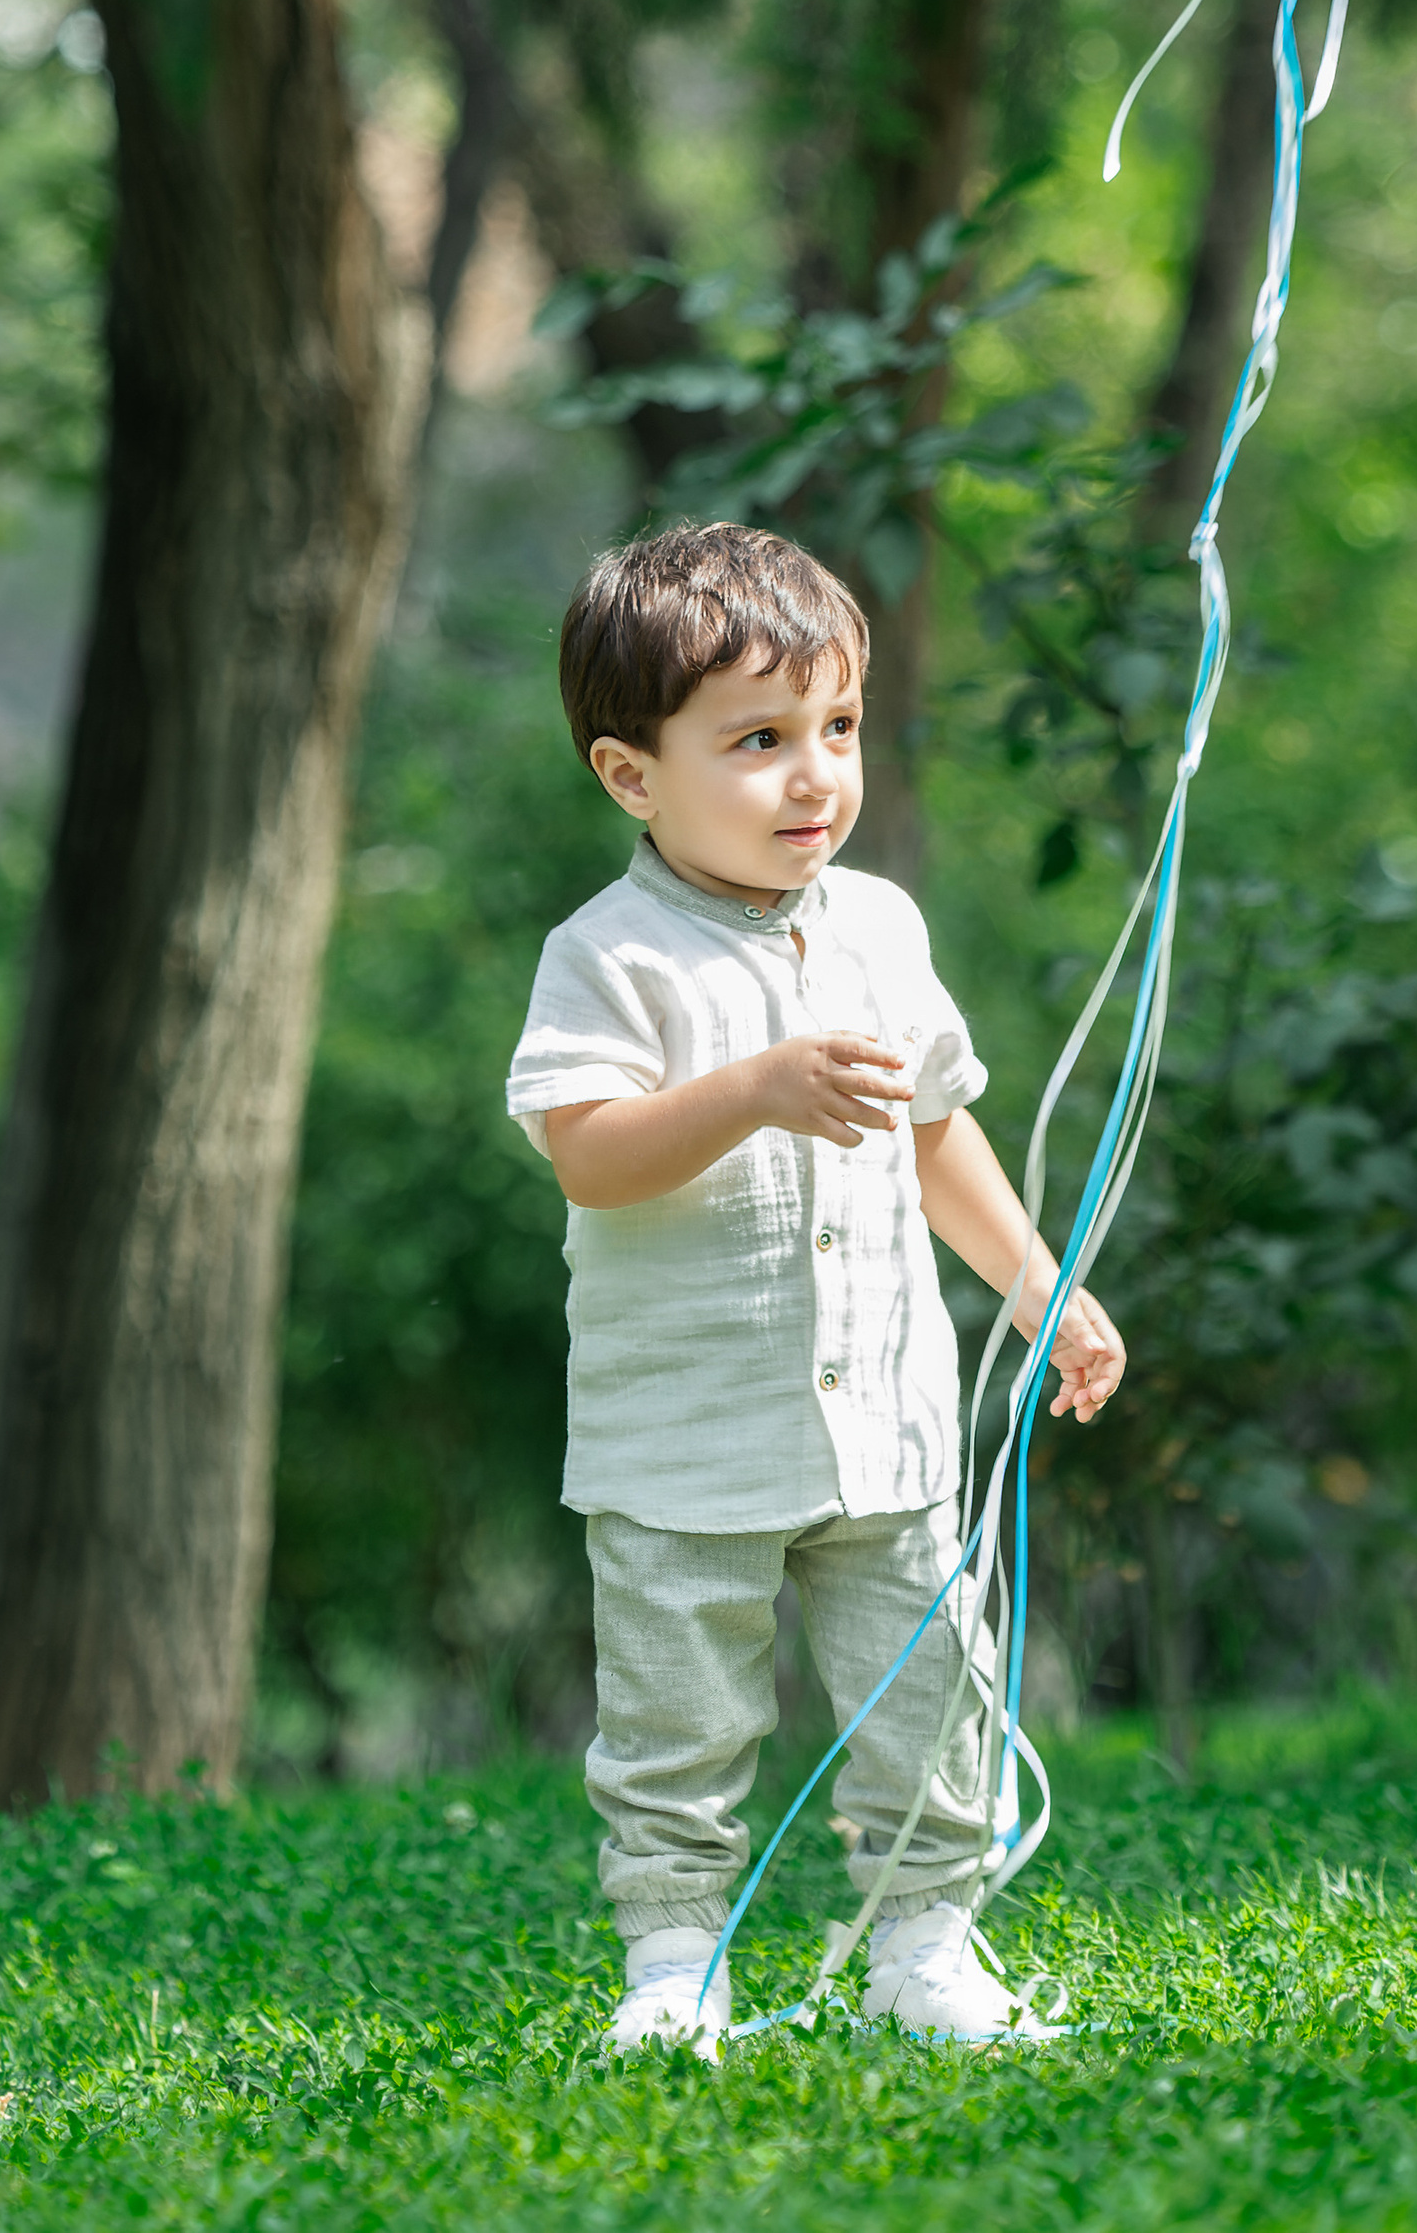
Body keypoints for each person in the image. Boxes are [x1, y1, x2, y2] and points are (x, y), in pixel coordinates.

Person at [506, 519, 1127, 2057]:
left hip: (891, 1422)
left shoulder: (881, 928)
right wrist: (757, 1088)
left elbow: (935, 1130)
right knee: (680, 1720)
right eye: (761, 739)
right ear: (630, 773)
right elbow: (592, 1153)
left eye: (838, 728)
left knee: (932, 1690)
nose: (816, 775)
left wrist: (1040, 1283)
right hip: (686, 1438)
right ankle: (674, 1965)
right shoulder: (609, 958)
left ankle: (926, 1943)